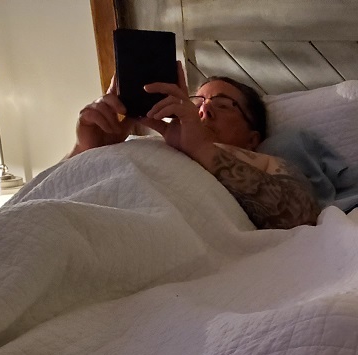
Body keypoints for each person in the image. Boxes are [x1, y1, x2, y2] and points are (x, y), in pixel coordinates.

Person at [67, 62, 319, 230]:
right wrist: (84, 150)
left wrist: (202, 147)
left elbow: (303, 215)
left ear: (253, 139)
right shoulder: (148, 143)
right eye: (196, 102)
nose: (203, 109)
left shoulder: (264, 162)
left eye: (222, 104)